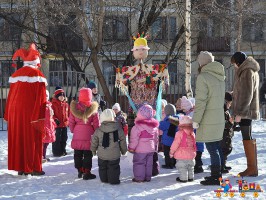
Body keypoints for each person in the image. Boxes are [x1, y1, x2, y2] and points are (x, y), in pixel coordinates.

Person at [4, 43, 47, 175]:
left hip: (15, 114)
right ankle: (32, 167)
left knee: (19, 139)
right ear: (36, 62)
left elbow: (10, 97)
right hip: (31, 114)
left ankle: (21, 167)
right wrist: (40, 117)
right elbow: (41, 100)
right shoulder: (37, 75)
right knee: (31, 140)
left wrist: (8, 114)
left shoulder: (16, 75)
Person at [192, 51, 225, 185]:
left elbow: (200, 102)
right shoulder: (220, 76)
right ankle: (218, 174)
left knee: (212, 148)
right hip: (218, 117)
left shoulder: (203, 77)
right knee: (216, 146)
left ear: (202, 62)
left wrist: (196, 120)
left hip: (208, 118)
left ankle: (216, 176)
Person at [231, 51, 260, 177]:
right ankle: (252, 168)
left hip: (246, 111)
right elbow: (244, 91)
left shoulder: (247, 71)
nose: (234, 66)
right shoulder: (248, 70)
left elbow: (247, 94)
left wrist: (240, 113)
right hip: (247, 110)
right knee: (247, 137)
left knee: (247, 137)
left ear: (238, 62)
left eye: (234, 64)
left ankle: (252, 168)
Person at [69, 88, 100, 180]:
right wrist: (96, 132)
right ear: (90, 96)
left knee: (77, 153)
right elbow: (96, 124)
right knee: (87, 154)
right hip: (88, 134)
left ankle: (79, 169)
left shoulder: (75, 108)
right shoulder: (93, 109)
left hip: (77, 133)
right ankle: (87, 171)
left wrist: (73, 130)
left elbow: (71, 122)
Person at [91, 109, 127, 184]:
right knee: (113, 167)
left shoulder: (99, 130)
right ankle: (113, 180)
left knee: (102, 167)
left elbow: (94, 141)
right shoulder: (118, 129)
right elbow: (123, 140)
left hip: (102, 154)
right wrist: (123, 150)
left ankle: (104, 179)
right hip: (114, 154)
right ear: (113, 117)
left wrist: (93, 150)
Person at [128, 104, 159, 182]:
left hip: (140, 149)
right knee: (149, 164)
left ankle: (139, 178)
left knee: (139, 163)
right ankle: (148, 177)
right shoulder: (154, 127)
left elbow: (134, 139)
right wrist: (155, 147)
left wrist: (131, 148)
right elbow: (156, 139)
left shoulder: (137, 127)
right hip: (151, 148)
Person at [180, 96, 204, 174]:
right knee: (198, 151)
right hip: (199, 135)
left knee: (197, 152)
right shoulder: (192, 112)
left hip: (196, 136)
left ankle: (198, 166)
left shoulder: (190, 114)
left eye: (183, 109)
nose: (183, 111)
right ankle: (198, 166)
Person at [170, 115, 196, 183]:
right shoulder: (192, 133)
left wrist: (171, 152)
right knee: (190, 166)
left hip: (181, 153)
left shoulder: (179, 133)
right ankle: (191, 177)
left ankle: (183, 178)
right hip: (191, 153)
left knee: (182, 167)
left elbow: (176, 143)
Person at [52, 87, 70, 157]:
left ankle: (63, 150)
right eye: (60, 95)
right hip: (57, 125)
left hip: (64, 124)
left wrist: (68, 120)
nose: (62, 97)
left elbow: (69, 114)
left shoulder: (66, 104)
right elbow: (51, 114)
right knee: (57, 139)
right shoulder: (53, 104)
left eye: (63, 95)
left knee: (64, 138)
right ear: (57, 96)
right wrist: (55, 119)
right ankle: (56, 152)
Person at [159, 103, 178, 169]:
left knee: (167, 153)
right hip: (175, 140)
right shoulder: (177, 119)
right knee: (174, 152)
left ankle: (168, 164)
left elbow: (161, 126)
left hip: (167, 141)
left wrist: (161, 121)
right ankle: (174, 163)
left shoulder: (167, 120)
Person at [43, 90, 56, 162]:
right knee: (43, 143)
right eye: (44, 95)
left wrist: (53, 123)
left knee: (46, 143)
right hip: (44, 126)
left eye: (47, 96)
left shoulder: (49, 105)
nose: (45, 97)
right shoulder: (41, 105)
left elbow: (51, 116)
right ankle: (42, 156)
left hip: (49, 126)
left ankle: (43, 155)